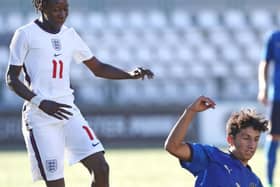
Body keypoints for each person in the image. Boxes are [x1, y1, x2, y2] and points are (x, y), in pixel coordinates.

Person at [5, 0, 154, 187]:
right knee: (56, 184)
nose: (62, 14)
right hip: (40, 116)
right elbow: (11, 78)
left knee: (101, 168)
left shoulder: (70, 35)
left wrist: (130, 75)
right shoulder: (25, 34)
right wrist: (41, 102)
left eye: (65, 9)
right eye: (56, 9)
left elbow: (98, 68)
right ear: (41, 6)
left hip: (68, 111)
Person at [165, 96, 268, 187]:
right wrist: (190, 111)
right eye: (246, 138)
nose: (252, 145)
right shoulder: (211, 156)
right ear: (230, 139)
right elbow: (173, 147)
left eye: (256, 139)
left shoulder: (254, 182)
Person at [258, 30, 280, 187]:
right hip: (278, 95)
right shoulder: (274, 37)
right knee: (274, 136)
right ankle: (270, 181)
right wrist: (263, 87)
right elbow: (264, 63)